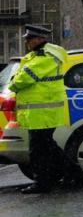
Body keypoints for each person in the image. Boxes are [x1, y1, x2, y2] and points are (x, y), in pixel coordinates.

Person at [10, 25, 68, 194]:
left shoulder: (45, 58)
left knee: (38, 150)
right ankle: (69, 171)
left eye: (29, 39)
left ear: (39, 39)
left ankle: (43, 183)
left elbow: (22, 79)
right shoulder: (40, 56)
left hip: (43, 113)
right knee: (48, 146)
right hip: (42, 113)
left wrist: (14, 81)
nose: (27, 42)